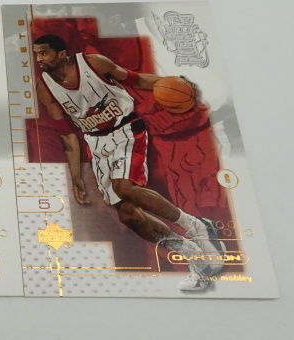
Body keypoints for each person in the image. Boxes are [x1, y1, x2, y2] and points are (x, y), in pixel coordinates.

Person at [32, 34, 226, 291]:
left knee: (124, 188)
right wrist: (76, 176)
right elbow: (67, 135)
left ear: (61, 53)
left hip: (126, 129)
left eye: (44, 53)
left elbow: (137, 80)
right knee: (128, 215)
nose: (39, 59)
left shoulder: (94, 63)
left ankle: (196, 225)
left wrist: (176, 82)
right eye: (36, 54)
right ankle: (193, 255)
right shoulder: (45, 87)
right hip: (95, 143)